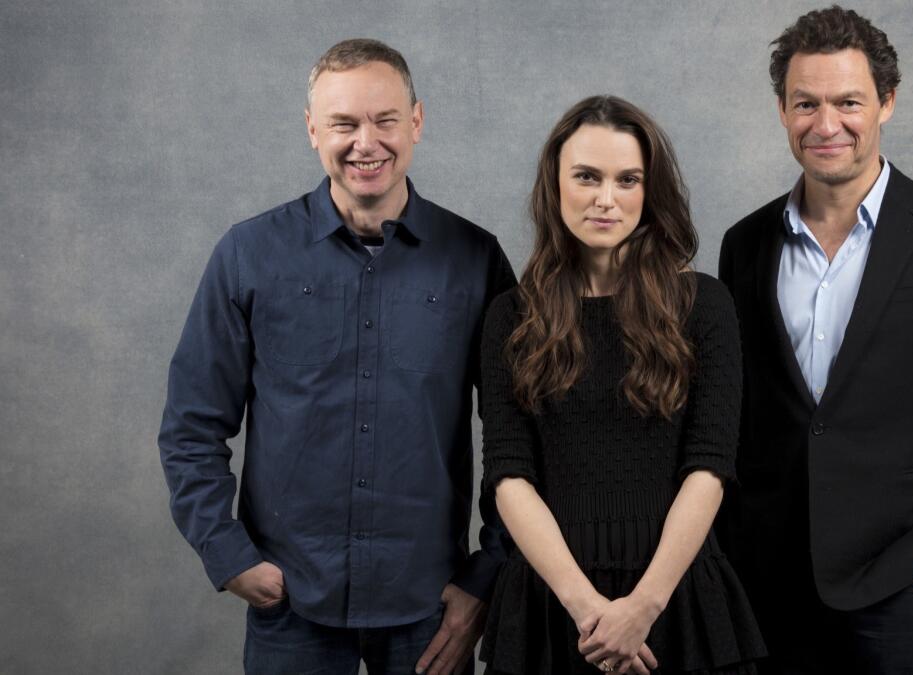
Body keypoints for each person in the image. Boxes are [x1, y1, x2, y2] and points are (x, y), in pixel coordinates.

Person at [158, 39, 515, 674]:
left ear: (417, 122)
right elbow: (191, 424)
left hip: (429, 607)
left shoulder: (476, 260)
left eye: (384, 120)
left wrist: (486, 574)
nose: (365, 143)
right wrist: (227, 553)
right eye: (344, 123)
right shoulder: (249, 254)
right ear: (311, 129)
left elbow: (522, 436)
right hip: (291, 604)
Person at [717, 6, 913, 674]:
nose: (827, 125)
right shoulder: (744, 245)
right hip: (767, 581)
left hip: (901, 587)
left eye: (848, 101)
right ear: (782, 110)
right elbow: (741, 412)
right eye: (807, 103)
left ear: (887, 102)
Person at [476, 95, 766, 675]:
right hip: (551, 606)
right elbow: (509, 476)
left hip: (678, 598)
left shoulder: (704, 306)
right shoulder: (512, 316)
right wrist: (589, 611)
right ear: (554, 185)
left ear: (649, 191)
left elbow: (709, 470)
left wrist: (643, 608)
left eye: (627, 179)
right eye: (587, 176)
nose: (607, 199)